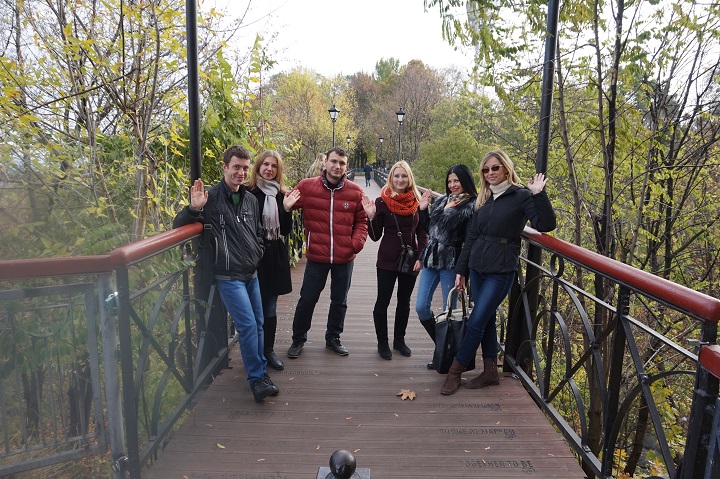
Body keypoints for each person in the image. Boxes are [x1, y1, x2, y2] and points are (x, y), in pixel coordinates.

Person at [441, 149, 556, 395]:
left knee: (476, 321)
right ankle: (491, 371)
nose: (490, 173)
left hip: (501, 269)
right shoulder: (484, 198)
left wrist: (539, 194)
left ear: (506, 168)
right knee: (486, 319)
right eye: (485, 169)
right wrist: (461, 270)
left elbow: (545, 224)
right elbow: (472, 236)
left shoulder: (521, 195)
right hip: (477, 267)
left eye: (495, 167)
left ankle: (455, 371)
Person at [173, 145, 279, 403]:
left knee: (259, 322)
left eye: (245, 168)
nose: (241, 173)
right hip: (228, 275)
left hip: (251, 272)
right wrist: (194, 209)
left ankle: (261, 371)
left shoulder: (250, 199)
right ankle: (257, 380)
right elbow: (177, 225)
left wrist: (258, 251)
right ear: (225, 167)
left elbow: (257, 232)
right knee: (247, 325)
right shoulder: (210, 198)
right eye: (236, 167)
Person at [283, 147, 368, 358]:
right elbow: (287, 201)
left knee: (339, 301)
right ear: (325, 163)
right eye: (334, 161)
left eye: (342, 163)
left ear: (346, 166)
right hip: (317, 256)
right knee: (307, 299)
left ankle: (333, 338)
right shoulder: (307, 186)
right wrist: (285, 206)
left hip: (344, 257)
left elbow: (362, 221)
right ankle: (298, 339)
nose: (337, 166)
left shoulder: (355, 192)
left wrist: (355, 244)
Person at [362, 161, 428, 360]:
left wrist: (421, 256)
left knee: (404, 301)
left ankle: (399, 340)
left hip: (411, 258)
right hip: (388, 258)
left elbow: (423, 232)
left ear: (409, 178)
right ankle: (382, 343)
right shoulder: (382, 201)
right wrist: (371, 217)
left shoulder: (417, 201)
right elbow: (375, 236)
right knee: (383, 301)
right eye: (396, 176)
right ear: (391, 178)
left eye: (404, 176)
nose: (400, 180)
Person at [415, 164, 478, 368]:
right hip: (431, 258)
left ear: (465, 180)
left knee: (449, 310)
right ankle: (444, 347)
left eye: (456, 181)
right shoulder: (443, 200)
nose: (452, 185)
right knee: (421, 307)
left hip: (452, 261)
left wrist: (463, 271)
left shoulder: (472, 205)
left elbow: (469, 241)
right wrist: (423, 210)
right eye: (450, 181)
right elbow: (430, 229)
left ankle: (447, 356)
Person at [248, 150, 293, 371]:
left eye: (274, 166)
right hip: (253, 257)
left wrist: (286, 209)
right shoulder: (248, 193)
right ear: (258, 166)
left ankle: (268, 351)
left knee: (270, 307)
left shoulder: (281, 195)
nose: (269, 169)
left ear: (278, 170)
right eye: (265, 164)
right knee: (252, 309)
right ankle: (253, 353)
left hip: (274, 255)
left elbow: (284, 230)